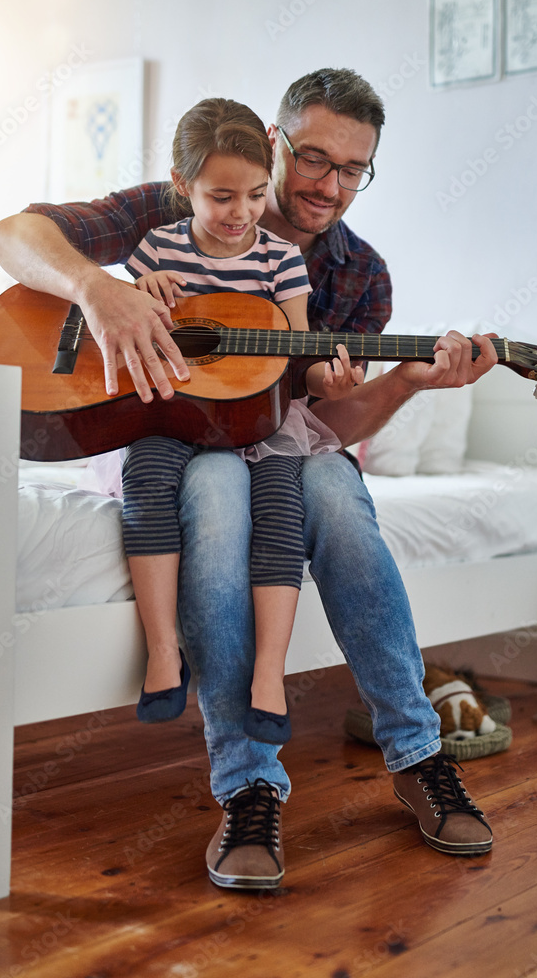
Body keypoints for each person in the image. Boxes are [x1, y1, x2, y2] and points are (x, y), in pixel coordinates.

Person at [0, 68, 499, 892]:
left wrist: (400, 381)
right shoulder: (177, 203)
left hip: (278, 445)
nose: (330, 187)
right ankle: (250, 784)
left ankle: (418, 754)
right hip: (167, 437)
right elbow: (11, 235)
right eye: (314, 158)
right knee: (214, 499)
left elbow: (326, 429)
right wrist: (98, 289)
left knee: (337, 496)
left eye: (353, 170)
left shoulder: (357, 276)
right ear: (272, 142)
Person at [120, 97, 362, 743]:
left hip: (261, 422)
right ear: (183, 187)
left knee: (280, 511)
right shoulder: (156, 251)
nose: (241, 214)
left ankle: (269, 674)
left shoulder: (280, 259)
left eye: (255, 195)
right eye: (221, 196)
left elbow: (299, 356)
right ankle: (164, 652)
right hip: (169, 413)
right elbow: (123, 326)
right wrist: (135, 294)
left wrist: (327, 378)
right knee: (143, 482)